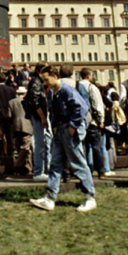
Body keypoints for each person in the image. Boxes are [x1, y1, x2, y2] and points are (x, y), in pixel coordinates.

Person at [29, 65, 97, 212]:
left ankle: (90, 197)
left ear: (55, 76)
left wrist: (73, 126)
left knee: (78, 162)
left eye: (46, 80)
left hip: (68, 129)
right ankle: (49, 198)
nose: (44, 83)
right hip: (60, 130)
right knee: (55, 163)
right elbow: (53, 110)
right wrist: (54, 125)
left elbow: (82, 108)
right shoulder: (53, 92)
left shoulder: (67, 90)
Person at [22, 63, 50, 181]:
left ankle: (43, 169)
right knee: (40, 143)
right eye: (47, 70)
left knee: (45, 141)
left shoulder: (36, 82)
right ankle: (38, 172)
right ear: (42, 70)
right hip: (38, 116)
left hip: (39, 115)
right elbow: (35, 101)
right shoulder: (36, 82)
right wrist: (43, 117)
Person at [78, 68, 106, 180]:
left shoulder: (76, 87)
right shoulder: (92, 87)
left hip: (80, 120)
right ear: (89, 76)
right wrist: (101, 119)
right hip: (92, 121)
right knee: (96, 147)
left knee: (82, 148)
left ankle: (84, 172)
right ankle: (101, 172)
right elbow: (97, 104)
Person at [5, 86, 33, 175]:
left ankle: (28, 168)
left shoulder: (11, 102)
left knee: (19, 147)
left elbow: (9, 115)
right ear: (25, 93)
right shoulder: (28, 102)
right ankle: (18, 165)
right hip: (27, 126)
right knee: (25, 148)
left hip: (16, 126)